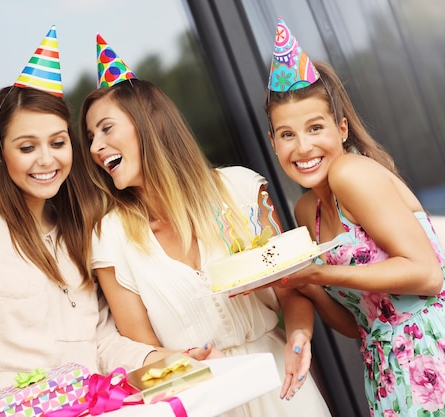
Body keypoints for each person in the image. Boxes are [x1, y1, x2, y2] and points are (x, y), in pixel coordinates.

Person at [0, 27, 214, 417]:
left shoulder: (79, 226)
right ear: (0, 154)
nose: (46, 160)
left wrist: (166, 358)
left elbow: (102, 342)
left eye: (57, 142)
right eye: (27, 147)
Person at [77, 34, 332, 417]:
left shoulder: (243, 190)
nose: (96, 147)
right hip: (200, 400)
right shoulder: (109, 238)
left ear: (150, 123)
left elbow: (290, 289)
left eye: (106, 129)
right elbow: (143, 352)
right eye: (91, 136)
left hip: (280, 386)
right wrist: (185, 363)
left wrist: (299, 335)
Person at [265, 17, 445, 416]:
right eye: (287, 134)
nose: (303, 146)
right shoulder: (305, 211)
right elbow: (360, 323)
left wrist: (319, 275)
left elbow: (427, 275)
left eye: (315, 127)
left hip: (433, 350)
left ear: (342, 128)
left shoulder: (351, 173)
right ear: (273, 142)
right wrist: (305, 284)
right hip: (386, 369)